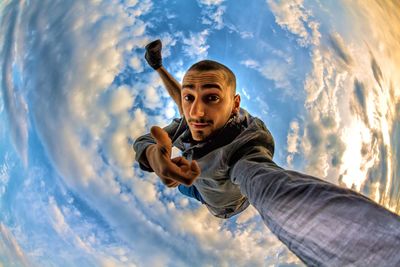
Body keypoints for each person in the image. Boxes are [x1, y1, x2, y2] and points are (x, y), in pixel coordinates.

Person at [133, 40, 400, 266]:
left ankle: (160, 68)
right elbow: (148, 139)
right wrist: (153, 156)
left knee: (196, 148)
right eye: (189, 97)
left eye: (213, 98)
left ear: (235, 105)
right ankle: (159, 67)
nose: (197, 113)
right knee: (191, 121)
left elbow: (268, 184)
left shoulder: (245, 145)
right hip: (198, 186)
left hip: (225, 201)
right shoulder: (185, 124)